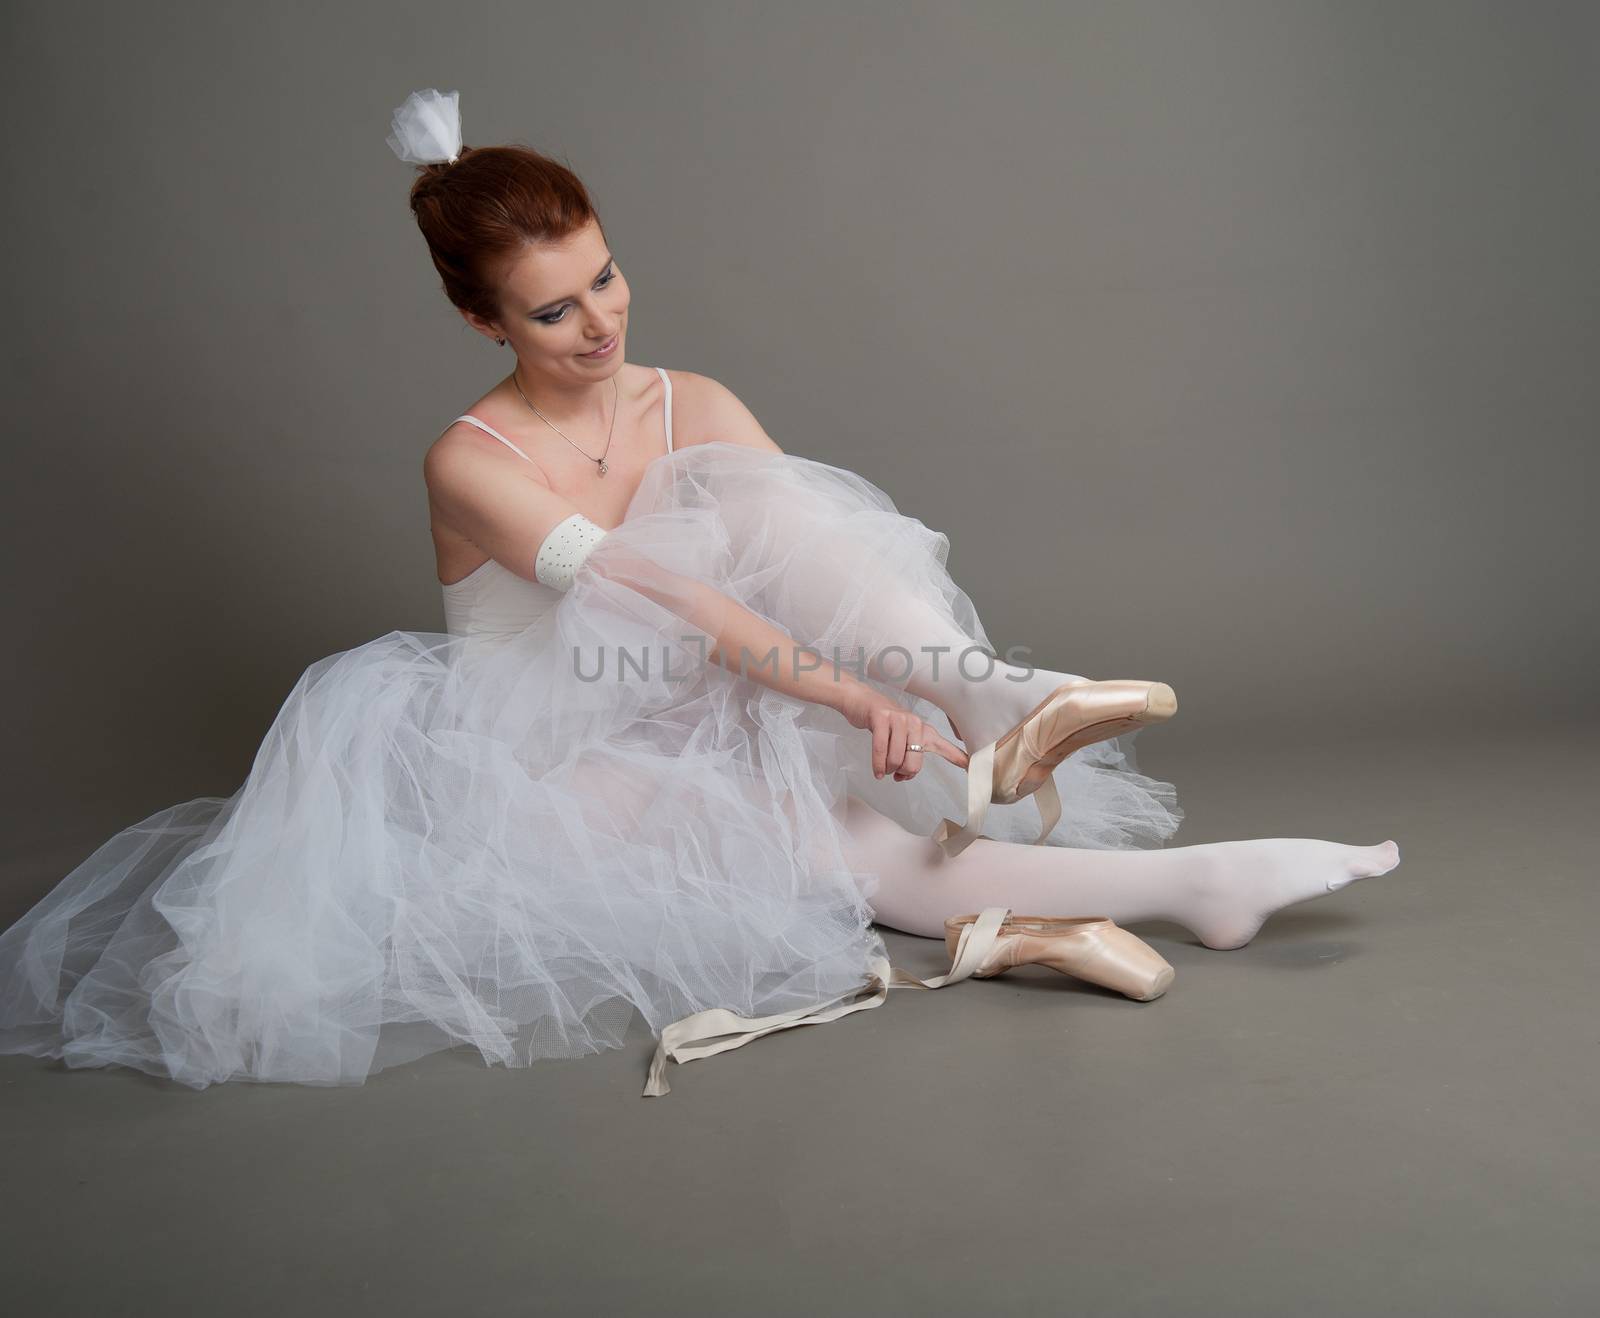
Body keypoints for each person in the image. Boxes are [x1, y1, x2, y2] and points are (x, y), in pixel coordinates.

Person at [0, 89, 1401, 1097]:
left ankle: (1009, 711)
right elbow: (655, 600)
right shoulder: (470, 460)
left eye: (606, 276)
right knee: (802, 837)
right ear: (482, 320)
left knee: (777, 516)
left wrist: (894, 688)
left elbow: (815, 574)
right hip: (550, 756)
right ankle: (1162, 885)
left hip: (733, 688)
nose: (602, 321)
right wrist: (848, 696)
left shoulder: (691, 398)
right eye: (555, 311)